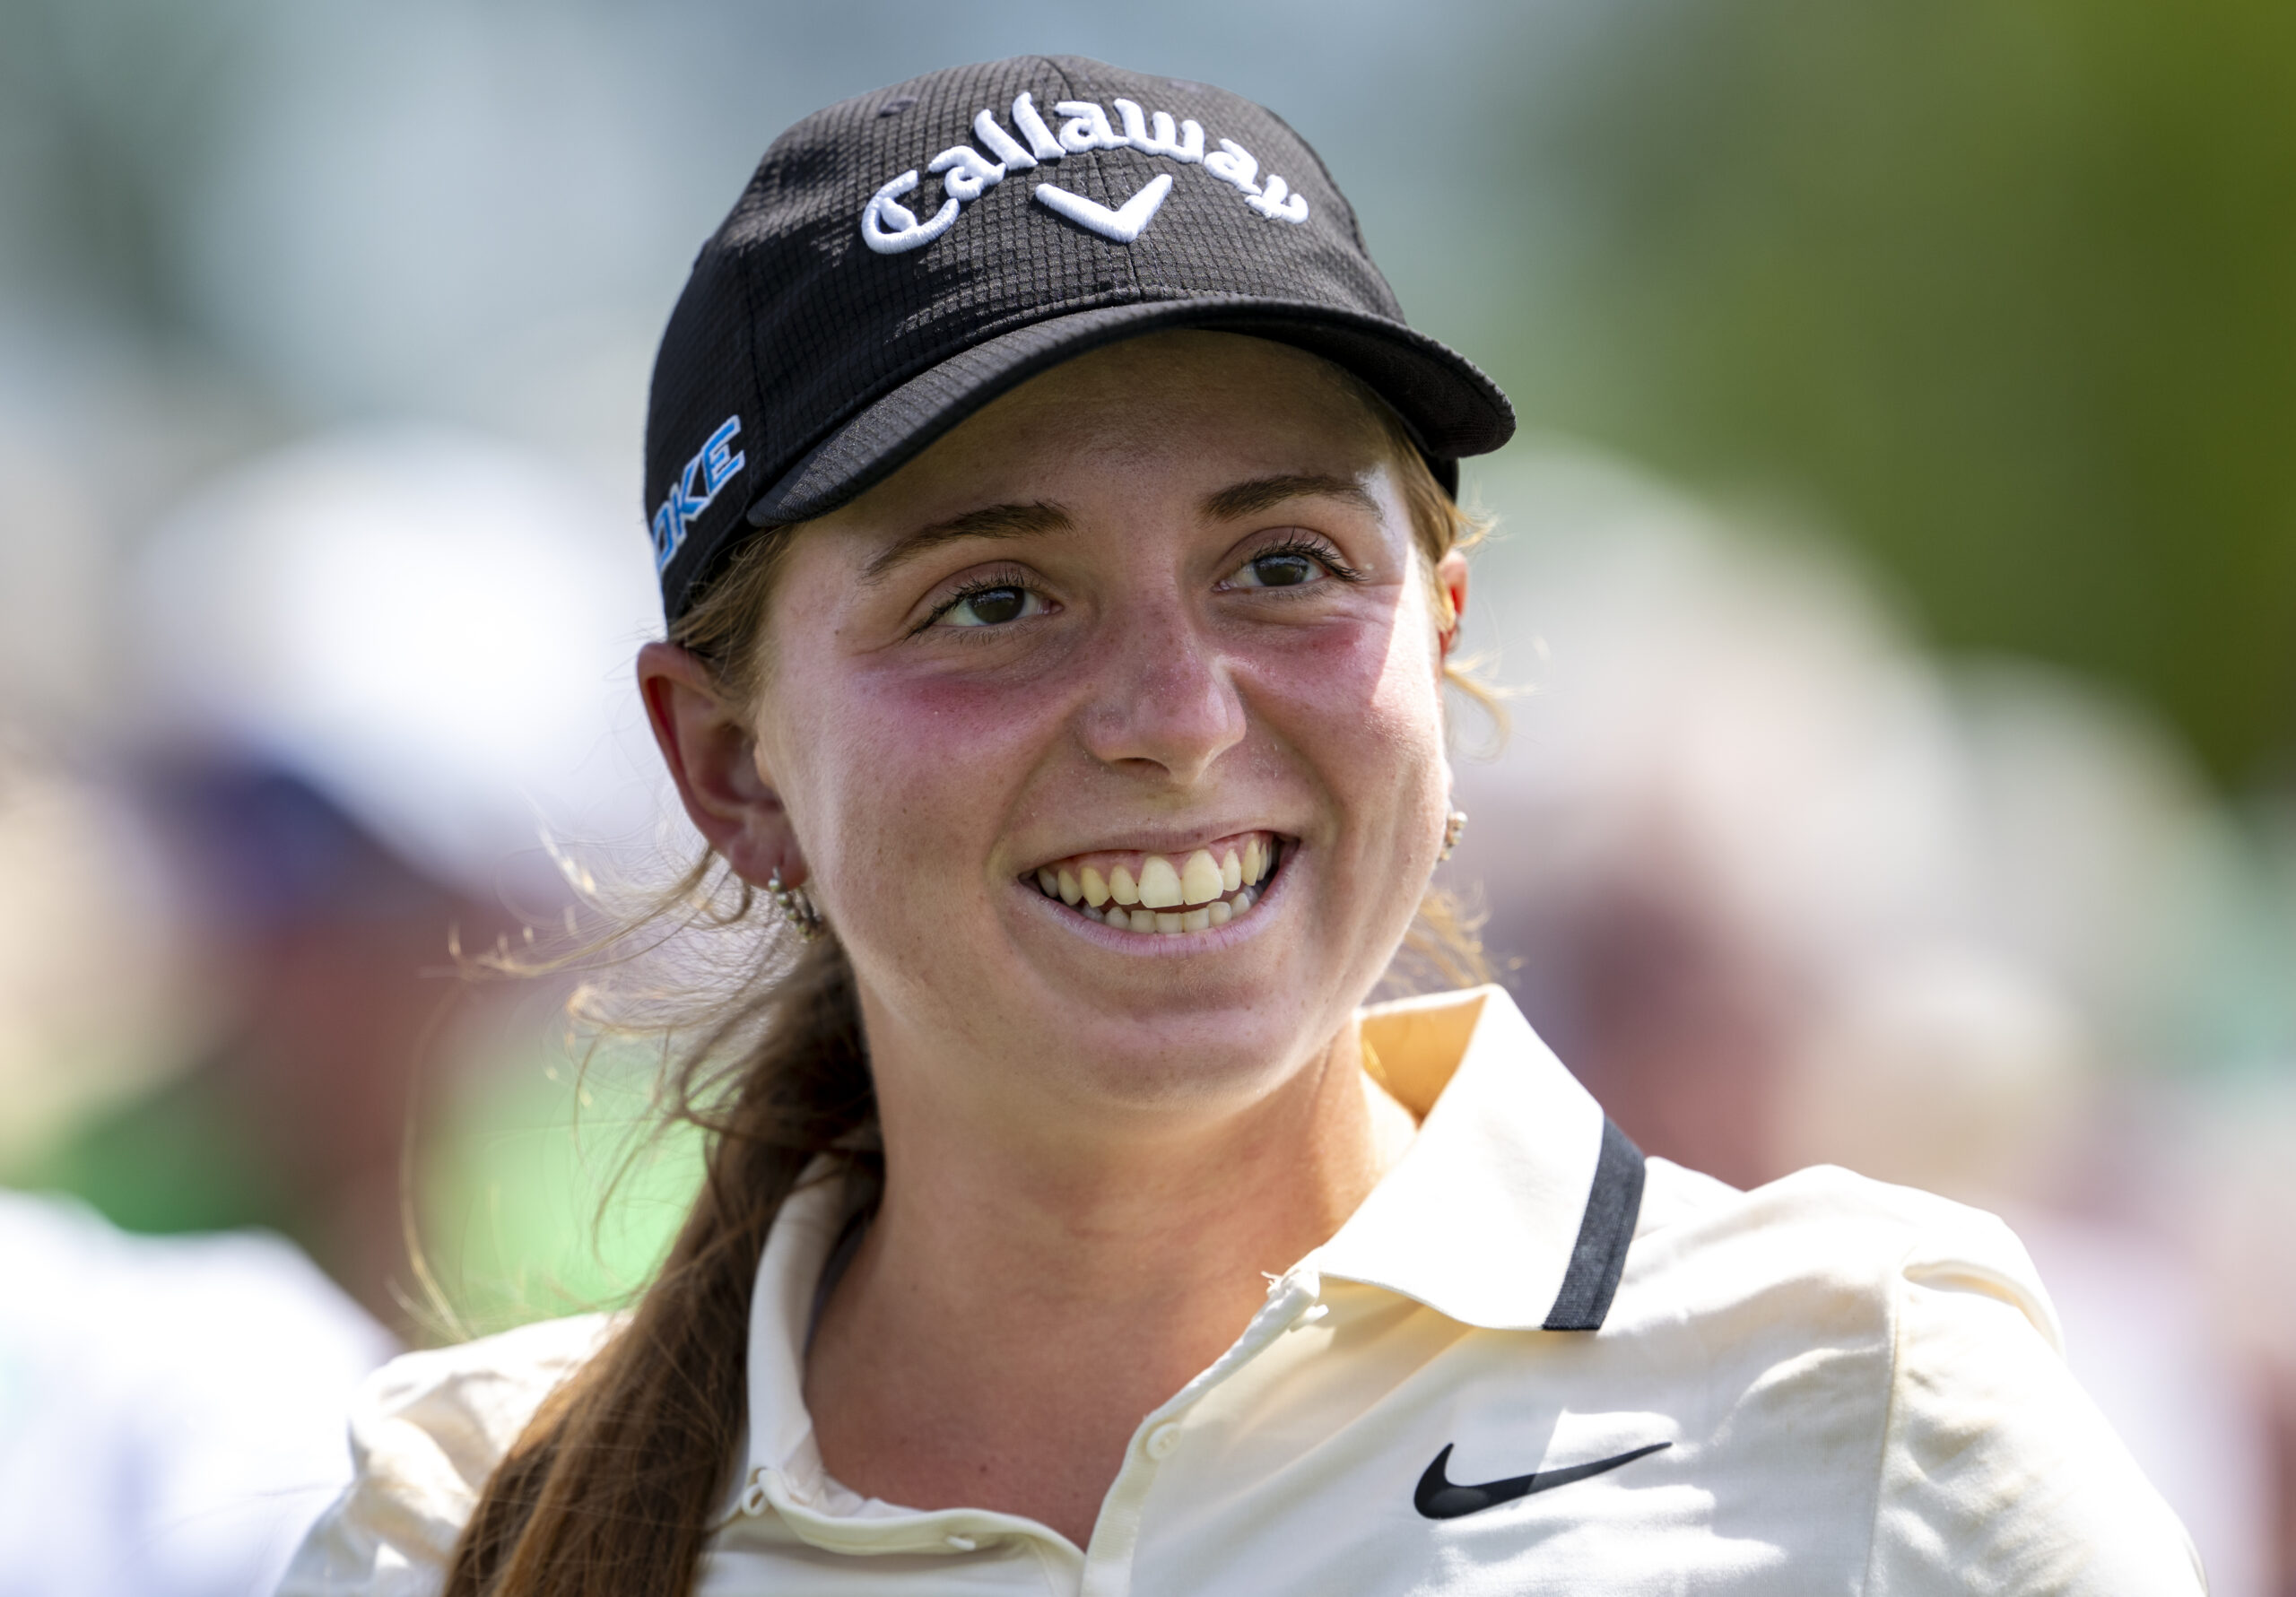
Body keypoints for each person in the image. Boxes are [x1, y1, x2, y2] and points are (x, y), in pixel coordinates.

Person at [281, 56, 2204, 1596]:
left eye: (1282, 565)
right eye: (991, 599)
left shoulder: (1857, 1412)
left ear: (1437, 646)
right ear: (727, 762)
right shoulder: (457, 1528)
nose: (1177, 723)